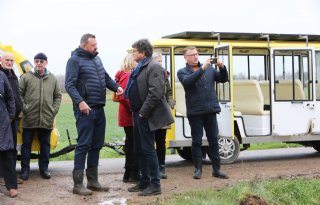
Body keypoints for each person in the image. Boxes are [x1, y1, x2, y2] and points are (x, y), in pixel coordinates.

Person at [65, 33, 123, 196]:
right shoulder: (74, 60)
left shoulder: (97, 59)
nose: (96, 47)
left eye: (96, 44)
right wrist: (80, 102)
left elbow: (105, 77)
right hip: (85, 109)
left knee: (97, 145)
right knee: (84, 145)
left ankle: (93, 181)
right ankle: (78, 184)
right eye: (93, 45)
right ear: (84, 45)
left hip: (99, 107)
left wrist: (116, 87)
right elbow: (69, 85)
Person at [126, 39, 174, 196]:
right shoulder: (141, 66)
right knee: (140, 148)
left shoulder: (154, 67)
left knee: (148, 149)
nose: (132, 54)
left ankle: (155, 184)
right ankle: (145, 181)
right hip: (138, 113)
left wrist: (142, 112)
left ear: (142, 52)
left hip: (146, 114)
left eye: (134, 51)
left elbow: (156, 93)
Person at [177, 46, 229, 180]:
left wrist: (222, 66)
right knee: (196, 141)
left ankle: (217, 169)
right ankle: (197, 169)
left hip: (211, 110)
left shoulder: (210, 69)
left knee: (213, 140)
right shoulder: (182, 72)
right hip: (195, 112)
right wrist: (202, 69)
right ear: (185, 58)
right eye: (192, 55)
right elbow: (188, 82)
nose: (195, 56)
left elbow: (223, 79)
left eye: (196, 54)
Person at [19, 52, 62, 181]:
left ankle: (44, 169)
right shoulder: (26, 77)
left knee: (45, 144)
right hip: (29, 117)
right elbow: (19, 94)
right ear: (34, 62)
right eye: (36, 61)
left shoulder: (53, 78)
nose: (38, 63)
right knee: (26, 145)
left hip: (46, 118)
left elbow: (58, 96)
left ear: (46, 62)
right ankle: (25, 170)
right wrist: (25, 108)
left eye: (41, 61)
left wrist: (53, 111)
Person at [115, 54, 140, 183]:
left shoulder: (124, 74)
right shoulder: (128, 75)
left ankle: (129, 173)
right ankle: (133, 173)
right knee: (133, 144)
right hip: (130, 116)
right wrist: (135, 108)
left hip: (127, 115)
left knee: (131, 143)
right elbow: (124, 96)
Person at [0, 52, 23, 185]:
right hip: (5, 118)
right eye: (7, 60)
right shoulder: (1, 75)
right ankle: (3, 177)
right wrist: (8, 115)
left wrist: (17, 111)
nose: (9, 62)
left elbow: (15, 96)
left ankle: (11, 175)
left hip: (14, 117)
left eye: (11, 61)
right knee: (5, 148)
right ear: (1, 60)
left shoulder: (12, 75)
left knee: (12, 147)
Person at [152, 52, 175, 179]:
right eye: (158, 61)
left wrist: (170, 103)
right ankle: (153, 167)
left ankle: (162, 167)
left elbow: (169, 93)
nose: (161, 63)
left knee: (161, 141)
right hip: (152, 113)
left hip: (163, 113)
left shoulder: (165, 76)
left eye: (161, 61)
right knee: (151, 142)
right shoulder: (149, 75)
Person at [0, 70, 18, 197]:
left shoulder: (1, 75)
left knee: (6, 152)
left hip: (2, 120)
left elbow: (10, 96)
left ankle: (11, 186)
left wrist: (11, 114)